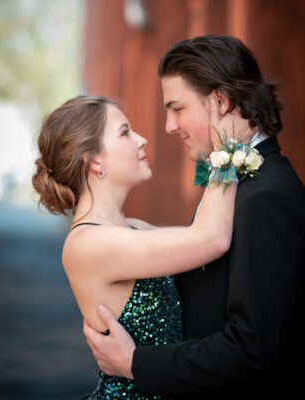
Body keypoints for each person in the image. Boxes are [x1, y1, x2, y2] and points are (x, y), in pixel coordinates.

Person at [83, 35, 305, 398]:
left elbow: (250, 347)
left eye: (177, 108)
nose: (169, 126)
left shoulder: (266, 196)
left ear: (220, 101)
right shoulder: (233, 179)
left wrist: (134, 363)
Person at [32, 93, 254, 399]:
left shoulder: (133, 228)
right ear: (95, 160)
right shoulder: (88, 243)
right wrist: (229, 147)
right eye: (125, 132)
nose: (142, 139)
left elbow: (207, 235)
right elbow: (210, 239)